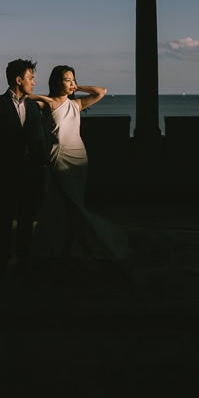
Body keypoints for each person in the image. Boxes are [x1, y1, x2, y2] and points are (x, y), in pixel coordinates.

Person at [28, 65, 128, 263]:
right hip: (59, 156)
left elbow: (101, 91)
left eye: (73, 79)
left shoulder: (77, 104)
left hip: (78, 157)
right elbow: (26, 99)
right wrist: (44, 97)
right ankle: (73, 245)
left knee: (76, 203)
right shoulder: (48, 103)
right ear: (57, 81)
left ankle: (76, 245)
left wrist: (76, 86)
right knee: (63, 203)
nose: (71, 83)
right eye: (67, 79)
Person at [0, 58, 51, 281]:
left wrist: (41, 166)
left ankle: (23, 262)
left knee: (26, 221)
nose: (34, 81)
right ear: (18, 80)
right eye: (30, 78)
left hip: (30, 175)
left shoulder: (32, 106)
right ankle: (1, 266)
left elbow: (39, 141)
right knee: (4, 221)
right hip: (6, 175)